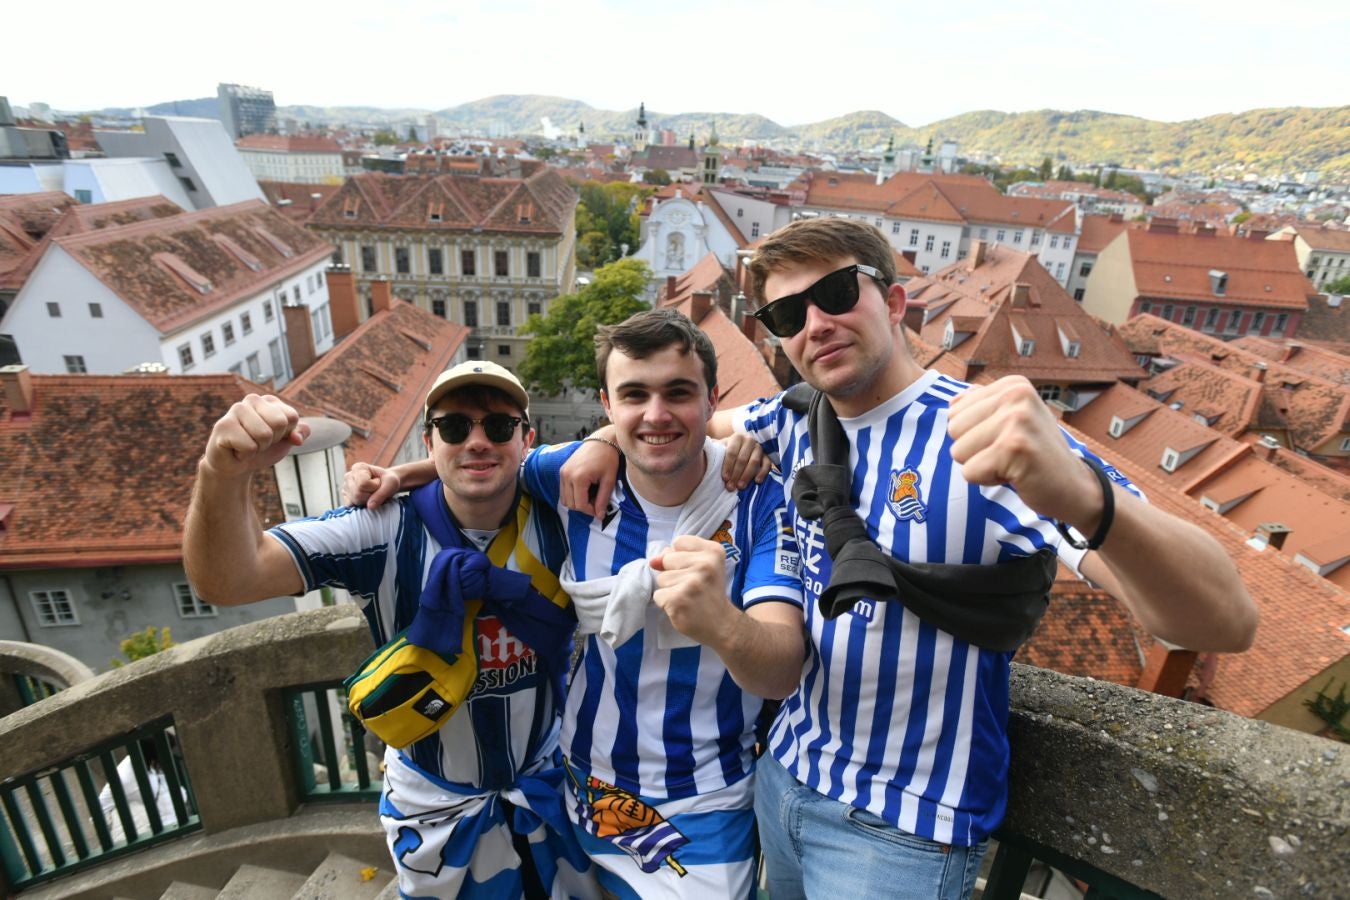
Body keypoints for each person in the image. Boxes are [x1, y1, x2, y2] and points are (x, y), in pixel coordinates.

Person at [560, 218, 1259, 899]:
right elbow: (671, 421)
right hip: (784, 779)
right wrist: (601, 441)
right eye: (788, 314)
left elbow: (1223, 622)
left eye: (837, 294)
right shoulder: (790, 421)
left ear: (894, 302)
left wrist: (1083, 495)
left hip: (903, 823)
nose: (816, 324)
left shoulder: (981, 434)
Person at [345, 309, 805, 898]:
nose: (656, 414)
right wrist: (396, 474)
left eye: (678, 392)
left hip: (701, 800)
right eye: (633, 395)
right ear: (607, 405)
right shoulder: (570, 476)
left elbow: (780, 669)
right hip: (580, 785)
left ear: (712, 399)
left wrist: (721, 624)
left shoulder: (761, 500)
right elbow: (488, 463)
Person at [183, 362, 597, 899]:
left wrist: (606, 442)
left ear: (527, 439)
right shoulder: (380, 529)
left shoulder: (563, 516)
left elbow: (646, 436)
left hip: (549, 778)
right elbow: (229, 580)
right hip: (436, 805)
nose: (477, 442)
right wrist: (222, 470)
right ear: (429, 440)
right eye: (454, 428)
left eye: (498, 427)